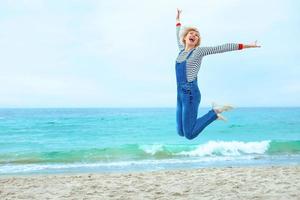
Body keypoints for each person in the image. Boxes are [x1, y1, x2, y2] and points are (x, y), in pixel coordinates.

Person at [175, 9, 260, 140]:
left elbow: (223, 47)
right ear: (185, 38)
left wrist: (248, 46)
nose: (193, 35)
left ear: (197, 41)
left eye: (196, 35)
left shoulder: (199, 52)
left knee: (190, 135)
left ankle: (214, 112)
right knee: (181, 132)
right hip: (180, 94)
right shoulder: (181, 51)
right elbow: (177, 33)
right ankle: (213, 115)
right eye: (191, 33)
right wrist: (178, 19)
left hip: (191, 94)